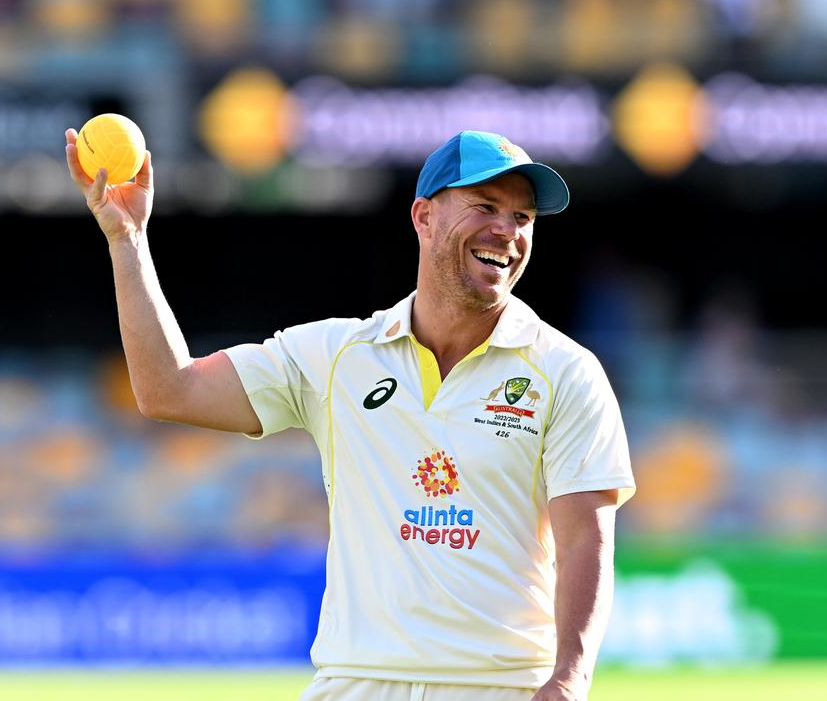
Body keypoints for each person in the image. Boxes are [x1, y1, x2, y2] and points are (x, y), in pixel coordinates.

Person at [64, 128, 635, 701]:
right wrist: (128, 239)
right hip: (354, 684)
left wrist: (570, 676)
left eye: (523, 218)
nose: (507, 232)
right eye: (485, 206)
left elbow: (586, 538)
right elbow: (168, 390)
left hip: (499, 686)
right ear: (424, 217)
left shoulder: (565, 371)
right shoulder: (336, 356)